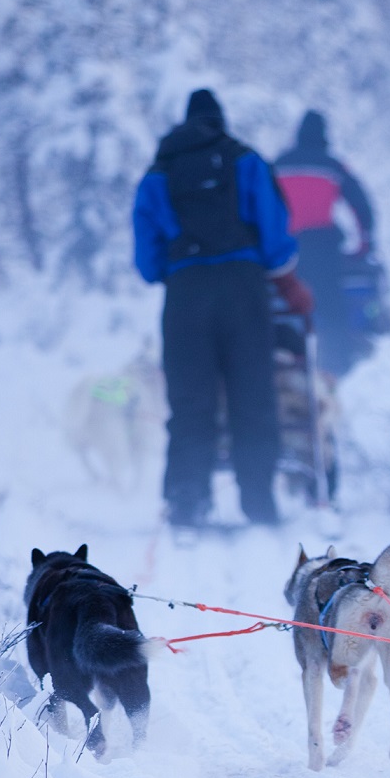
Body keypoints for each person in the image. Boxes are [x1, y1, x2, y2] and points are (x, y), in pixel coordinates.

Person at [133, 89, 313, 527]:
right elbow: (274, 237)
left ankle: (187, 501)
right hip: (243, 291)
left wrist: (175, 268)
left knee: (190, 401)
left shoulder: (158, 173)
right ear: (220, 121)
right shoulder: (244, 160)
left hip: (185, 294)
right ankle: (258, 501)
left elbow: (147, 261)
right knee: (252, 397)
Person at [272, 111, 378, 374]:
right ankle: (336, 371)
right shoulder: (331, 165)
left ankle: (288, 368)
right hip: (323, 250)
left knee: (287, 311)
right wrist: (365, 243)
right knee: (331, 312)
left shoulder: (277, 165)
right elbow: (361, 205)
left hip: (287, 251)